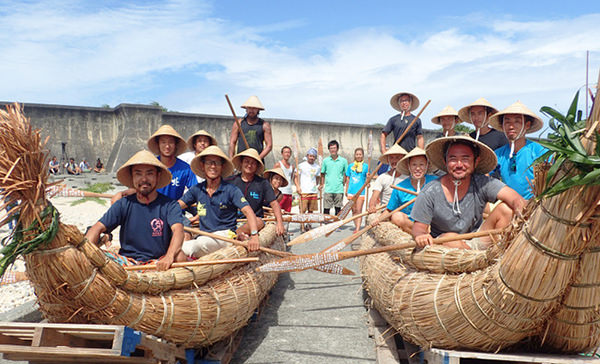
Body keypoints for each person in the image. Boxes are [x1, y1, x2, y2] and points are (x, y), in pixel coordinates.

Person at [411, 136, 525, 250]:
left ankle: (496, 253)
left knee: (506, 210)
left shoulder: (482, 183)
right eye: (453, 159)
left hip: (476, 239)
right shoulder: (430, 191)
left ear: (476, 161)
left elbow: (514, 198)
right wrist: (421, 236)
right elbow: (419, 227)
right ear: (445, 162)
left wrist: (521, 212)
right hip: (444, 244)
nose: (459, 164)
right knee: (451, 239)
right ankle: (477, 259)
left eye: (465, 159)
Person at [85, 150, 186, 270]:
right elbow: (97, 228)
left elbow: (178, 231)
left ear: (158, 176)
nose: (144, 179)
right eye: (138, 174)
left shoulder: (169, 205)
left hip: (158, 262)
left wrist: (169, 256)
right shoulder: (124, 204)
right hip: (126, 262)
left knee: (180, 256)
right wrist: (86, 251)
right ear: (132, 177)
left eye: (149, 173)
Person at [178, 146, 261, 257]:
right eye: (209, 163)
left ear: (222, 167)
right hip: (204, 236)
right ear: (203, 166)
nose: (213, 166)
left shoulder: (231, 190)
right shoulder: (197, 189)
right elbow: (176, 206)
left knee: (195, 246)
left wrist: (255, 236)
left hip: (225, 236)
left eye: (217, 163)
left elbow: (248, 212)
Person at [489, 101, 548, 200]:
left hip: (534, 206)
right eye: (507, 122)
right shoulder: (498, 155)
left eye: (517, 121)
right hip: (508, 203)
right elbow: (485, 177)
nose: (511, 126)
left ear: (527, 125)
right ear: (502, 125)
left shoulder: (540, 152)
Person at [227, 148, 285, 238]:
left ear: (257, 166)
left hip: (254, 221)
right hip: (233, 220)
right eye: (246, 161)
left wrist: (280, 223)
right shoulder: (230, 181)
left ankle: (237, 233)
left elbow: (274, 203)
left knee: (259, 222)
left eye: (253, 163)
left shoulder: (263, 183)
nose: (249, 165)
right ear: (241, 163)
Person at [387, 148, 437, 233]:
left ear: (427, 166)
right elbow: (389, 210)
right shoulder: (400, 187)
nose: (418, 168)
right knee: (396, 217)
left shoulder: (436, 182)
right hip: (410, 225)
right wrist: (377, 220)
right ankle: (419, 232)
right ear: (409, 167)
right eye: (414, 165)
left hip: (431, 224)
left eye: (421, 165)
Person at [228, 96, 273, 161]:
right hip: (241, 161)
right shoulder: (238, 123)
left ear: (258, 109)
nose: (251, 110)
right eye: (249, 108)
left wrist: (258, 158)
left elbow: (269, 146)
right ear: (246, 109)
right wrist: (231, 158)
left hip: (257, 161)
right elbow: (232, 142)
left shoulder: (264, 125)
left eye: (254, 108)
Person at [368, 144, 408, 212]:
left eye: (397, 157)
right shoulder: (382, 178)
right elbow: (373, 198)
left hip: (403, 212)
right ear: (388, 160)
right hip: (385, 211)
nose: (394, 161)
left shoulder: (408, 178)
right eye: (391, 158)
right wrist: (372, 206)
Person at [295, 148, 321, 232]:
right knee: (303, 209)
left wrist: (317, 186)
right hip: (304, 191)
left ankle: (309, 224)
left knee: (311, 209)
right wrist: (298, 187)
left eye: (313, 156)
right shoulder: (301, 166)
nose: (312, 158)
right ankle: (302, 224)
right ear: (307, 156)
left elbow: (318, 178)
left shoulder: (317, 167)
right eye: (310, 156)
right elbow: (295, 178)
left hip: (313, 191)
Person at [320, 140, 348, 216]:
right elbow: (322, 173)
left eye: (334, 148)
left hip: (339, 189)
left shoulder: (343, 161)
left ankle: (336, 225)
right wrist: (322, 184)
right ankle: (326, 225)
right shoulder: (325, 161)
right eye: (331, 148)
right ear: (329, 149)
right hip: (328, 189)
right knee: (326, 209)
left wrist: (344, 183)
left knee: (338, 209)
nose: (333, 150)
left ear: (337, 149)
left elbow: (346, 173)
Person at [345, 147, 369, 233]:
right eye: (357, 154)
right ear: (355, 155)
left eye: (360, 154)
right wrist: (346, 190)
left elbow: (367, 179)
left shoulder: (366, 166)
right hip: (351, 191)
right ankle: (356, 226)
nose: (358, 156)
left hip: (360, 191)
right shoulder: (350, 166)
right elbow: (348, 179)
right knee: (353, 210)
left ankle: (358, 228)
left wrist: (368, 181)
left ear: (362, 155)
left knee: (359, 210)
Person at [273, 146, 294, 213]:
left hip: (289, 192)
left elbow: (290, 177)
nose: (287, 154)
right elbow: (273, 177)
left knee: (287, 212)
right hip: (281, 192)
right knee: (278, 211)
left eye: (288, 152)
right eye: (285, 152)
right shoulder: (278, 165)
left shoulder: (292, 166)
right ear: (282, 154)